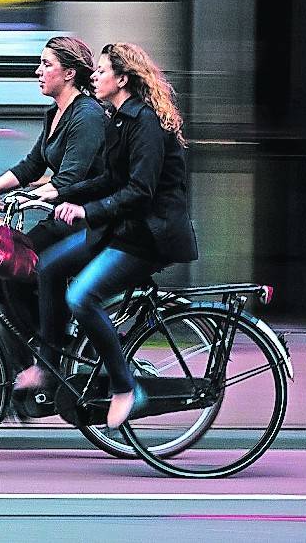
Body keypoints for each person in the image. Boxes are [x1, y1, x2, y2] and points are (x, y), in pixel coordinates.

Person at [22, 42, 198, 429]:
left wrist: (86, 210)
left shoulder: (145, 122)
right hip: (123, 229)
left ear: (122, 79)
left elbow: (140, 191)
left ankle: (126, 388)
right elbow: (109, 178)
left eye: (101, 72)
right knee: (48, 267)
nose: (94, 77)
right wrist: (59, 192)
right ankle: (49, 365)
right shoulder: (117, 117)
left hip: (150, 236)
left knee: (82, 297)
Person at [0, 36, 108, 374]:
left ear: (69, 73)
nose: (38, 71)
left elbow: (68, 181)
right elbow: (31, 166)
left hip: (84, 220)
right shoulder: (56, 113)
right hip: (59, 216)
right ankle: (33, 362)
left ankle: (52, 356)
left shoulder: (88, 116)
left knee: (19, 269)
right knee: (2, 276)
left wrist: (15, 200)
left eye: (46, 64)